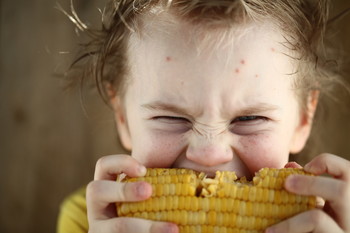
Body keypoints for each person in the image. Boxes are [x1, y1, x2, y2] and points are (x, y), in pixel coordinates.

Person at [57, 0, 350, 233]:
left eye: (249, 119)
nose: (209, 154)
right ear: (122, 117)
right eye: (172, 118)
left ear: (302, 120)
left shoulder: (331, 224)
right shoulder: (87, 221)